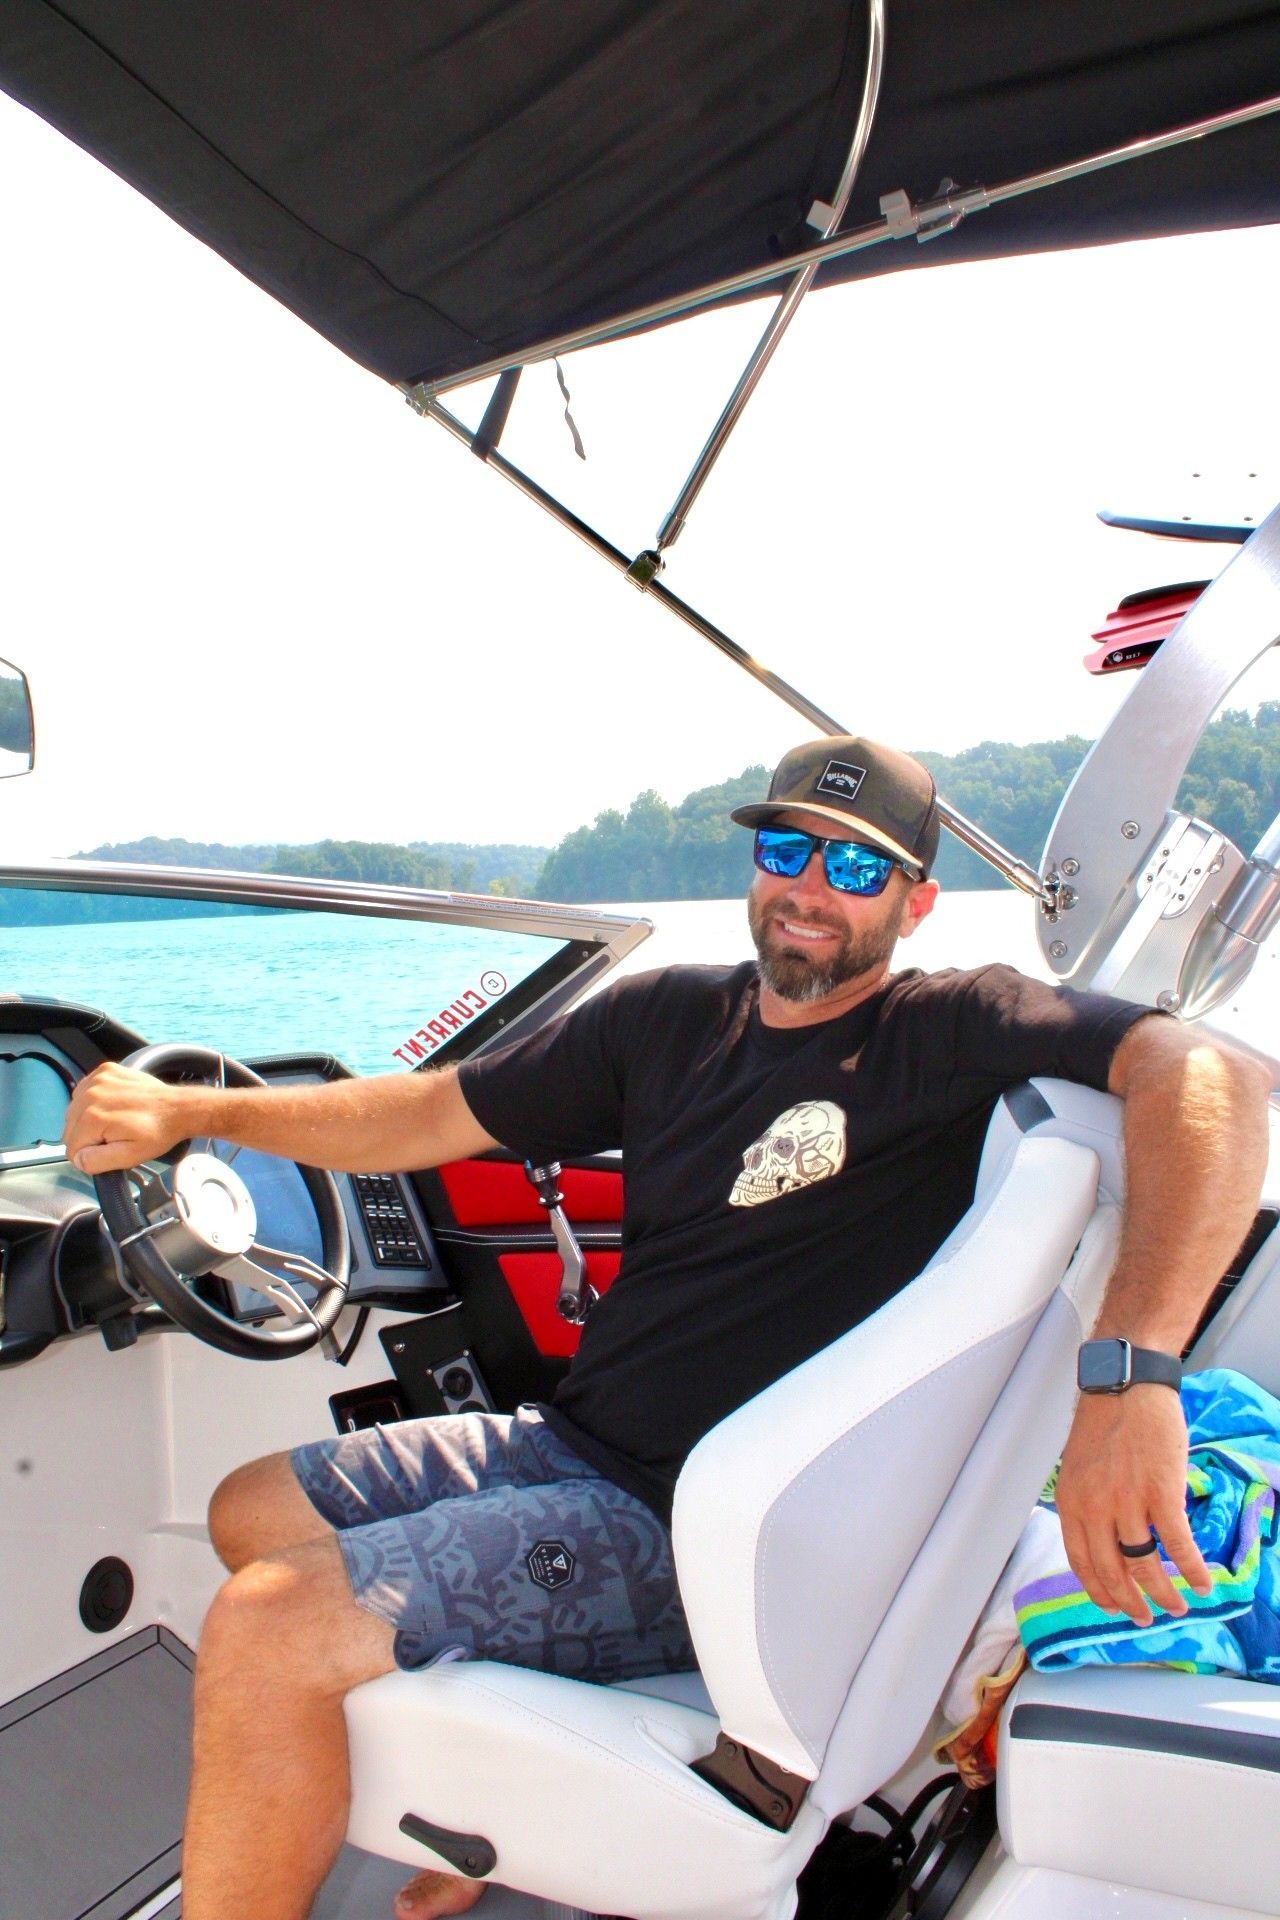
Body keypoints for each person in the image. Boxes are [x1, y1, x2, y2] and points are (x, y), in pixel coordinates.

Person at [64, 733, 1272, 1920]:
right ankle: (487, 1798)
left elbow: (1211, 1080)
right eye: (788, 851)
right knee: (249, 1511)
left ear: (914, 904)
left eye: (853, 869)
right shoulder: (665, 1020)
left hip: (689, 1532)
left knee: (272, 1625)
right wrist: (189, 1110)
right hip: (564, 1445)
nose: (808, 890)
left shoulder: (945, 1030)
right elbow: (428, 1113)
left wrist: (1132, 1380)